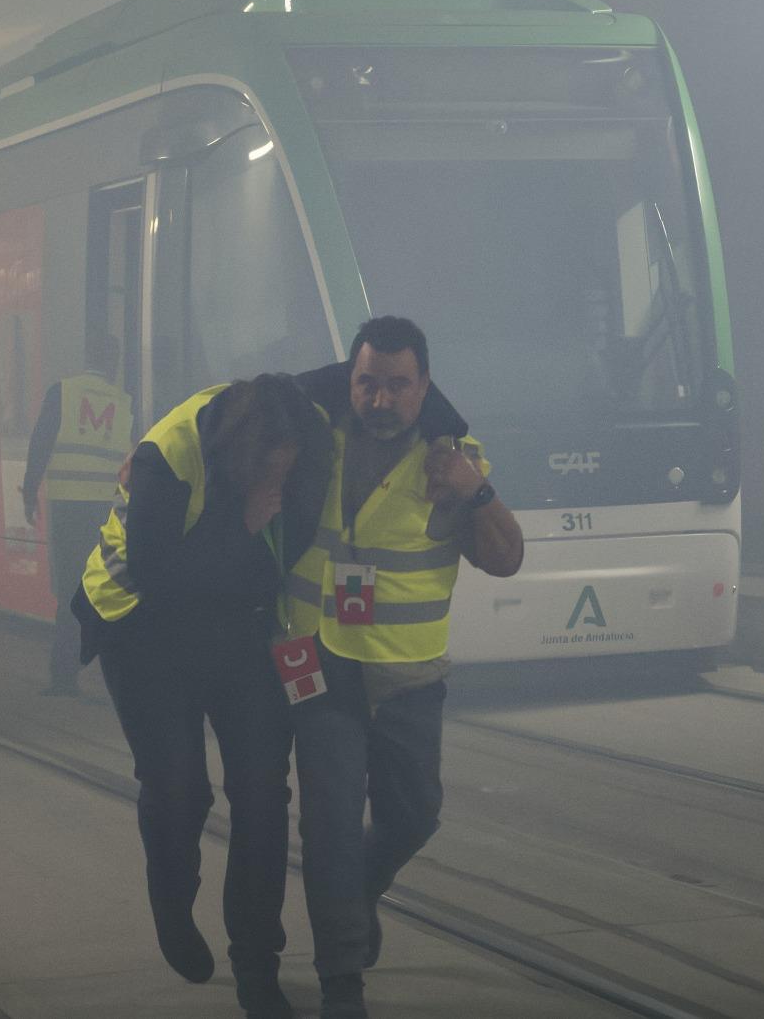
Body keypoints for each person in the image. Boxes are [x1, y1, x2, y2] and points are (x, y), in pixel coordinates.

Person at [73, 375, 332, 1019]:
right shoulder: (167, 456)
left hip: (238, 622)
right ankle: (172, 900)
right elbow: (158, 576)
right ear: (236, 456)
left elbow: (356, 373)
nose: (276, 484)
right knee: (178, 789)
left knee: (264, 793)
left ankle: (257, 965)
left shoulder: (305, 428)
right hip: (142, 623)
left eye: (285, 471)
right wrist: (243, 525)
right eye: (263, 474)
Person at [287, 317, 525, 1019]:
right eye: (368, 383)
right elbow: (229, 419)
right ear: (349, 380)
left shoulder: (452, 461)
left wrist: (475, 490)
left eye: (397, 385)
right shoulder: (310, 436)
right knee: (328, 826)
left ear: (424, 386)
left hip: (406, 677)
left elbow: (507, 558)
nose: (380, 400)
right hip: (314, 661)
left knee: (414, 815)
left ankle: (360, 889)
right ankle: (341, 983)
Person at [22, 334, 134, 696]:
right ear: (114, 361)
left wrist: (29, 492)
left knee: (72, 590)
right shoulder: (124, 402)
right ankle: (112, 675)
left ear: (87, 356)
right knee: (107, 587)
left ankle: (64, 676)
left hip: (68, 505)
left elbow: (41, 442)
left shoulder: (63, 392)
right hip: (107, 510)